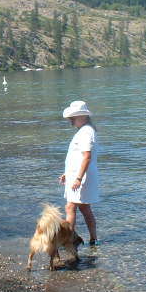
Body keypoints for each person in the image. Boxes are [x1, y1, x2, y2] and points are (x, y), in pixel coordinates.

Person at [59, 100, 99, 246]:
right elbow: (76, 157)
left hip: (81, 177)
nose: (71, 120)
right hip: (79, 175)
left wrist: (78, 178)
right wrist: (67, 174)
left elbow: (87, 157)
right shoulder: (85, 130)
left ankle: (68, 239)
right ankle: (93, 239)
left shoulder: (86, 132)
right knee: (84, 207)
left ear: (82, 116)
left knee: (71, 207)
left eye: (73, 117)